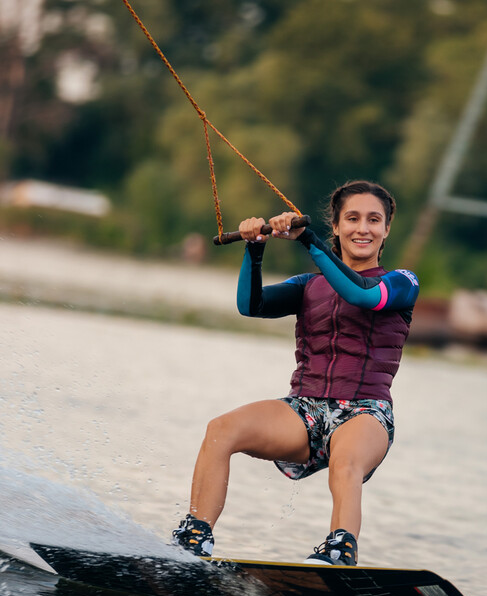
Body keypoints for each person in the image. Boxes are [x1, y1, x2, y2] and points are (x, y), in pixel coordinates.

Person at [171, 181, 419, 566]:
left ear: (387, 229)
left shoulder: (402, 282)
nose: (363, 229)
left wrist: (309, 242)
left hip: (364, 413)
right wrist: (255, 249)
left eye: (374, 220)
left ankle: (339, 549)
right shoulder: (308, 286)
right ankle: (195, 537)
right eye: (352, 219)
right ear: (336, 226)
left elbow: (363, 295)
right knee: (220, 429)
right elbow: (250, 305)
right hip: (304, 409)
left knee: (347, 461)